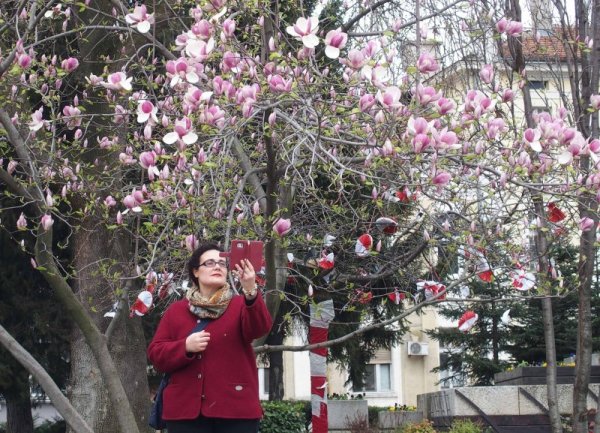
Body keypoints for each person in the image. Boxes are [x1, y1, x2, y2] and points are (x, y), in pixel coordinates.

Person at [148, 242, 272, 433]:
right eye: (210, 263)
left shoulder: (241, 304)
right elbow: (156, 355)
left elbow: (260, 328)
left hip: (235, 412)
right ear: (195, 272)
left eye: (222, 264)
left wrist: (250, 289)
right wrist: (185, 347)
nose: (217, 266)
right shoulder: (177, 311)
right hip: (185, 413)